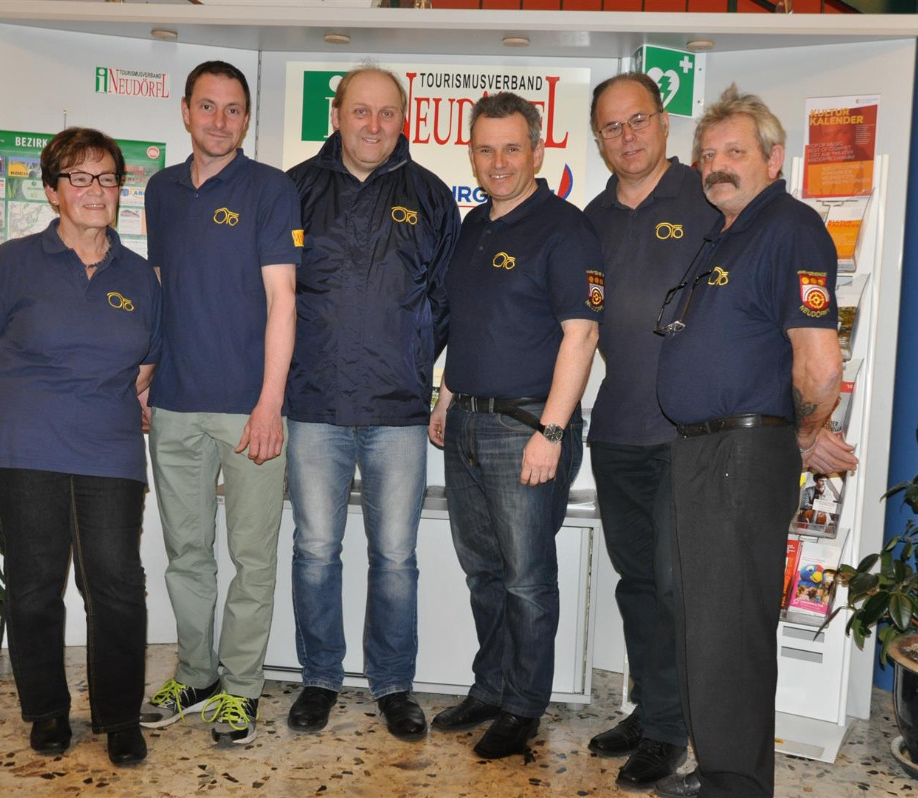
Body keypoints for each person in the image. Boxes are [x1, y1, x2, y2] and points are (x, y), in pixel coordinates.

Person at [651, 85, 858, 798]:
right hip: (706, 452)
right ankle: (719, 768)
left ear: (774, 159)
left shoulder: (790, 228)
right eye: (708, 155)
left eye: (734, 151)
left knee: (730, 625)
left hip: (741, 454)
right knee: (706, 622)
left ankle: (735, 784)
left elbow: (821, 364)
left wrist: (803, 435)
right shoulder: (727, 232)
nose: (717, 165)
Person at [0, 127, 160, 767]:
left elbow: (145, 366)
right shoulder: (11, 262)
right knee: (36, 582)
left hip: (108, 449)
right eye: (79, 177)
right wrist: (16, 408)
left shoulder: (141, 276)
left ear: (120, 189)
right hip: (23, 448)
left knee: (118, 583)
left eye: (107, 178)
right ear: (52, 191)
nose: (96, 190)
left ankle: (118, 716)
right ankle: (45, 710)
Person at [283, 65, 459, 741]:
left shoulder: (431, 195)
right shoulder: (294, 190)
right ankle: (320, 678)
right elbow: (274, 297)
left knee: (394, 558)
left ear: (403, 119)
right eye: (361, 111)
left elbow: (446, 300)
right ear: (337, 114)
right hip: (314, 405)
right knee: (315, 551)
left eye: (387, 113)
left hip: (398, 410)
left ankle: (392, 685)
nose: (374, 125)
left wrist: (412, 357)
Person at [429, 92, 602, 760]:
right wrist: (446, 399)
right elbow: (468, 327)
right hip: (467, 424)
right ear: (472, 155)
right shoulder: (473, 225)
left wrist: (551, 433)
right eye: (485, 149)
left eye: (511, 148)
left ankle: (524, 706)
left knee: (527, 579)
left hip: (527, 429)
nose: (497, 162)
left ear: (537, 151)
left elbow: (581, 335)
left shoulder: (565, 229)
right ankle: (492, 687)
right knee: (484, 571)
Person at [139, 60, 302, 746]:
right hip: (174, 403)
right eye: (207, 106)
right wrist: (145, 376)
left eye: (233, 109)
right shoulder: (160, 190)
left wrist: (270, 404)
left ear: (247, 118)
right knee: (186, 553)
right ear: (185, 111)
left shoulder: (271, 189)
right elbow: (157, 288)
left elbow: (283, 301)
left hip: (246, 410)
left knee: (252, 558)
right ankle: (196, 674)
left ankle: (241, 690)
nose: (220, 120)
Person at [582, 73, 719, 792]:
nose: (627, 136)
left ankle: (670, 730)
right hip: (616, 429)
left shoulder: (708, 198)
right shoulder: (592, 217)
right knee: (636, 583)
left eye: (638, 120)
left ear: (665, 124)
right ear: (598, 139)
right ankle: (650, 707)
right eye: (612, 126)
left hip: (687, 435)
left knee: (672, 584)